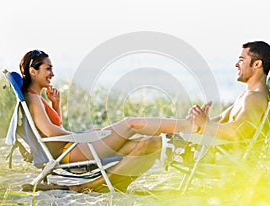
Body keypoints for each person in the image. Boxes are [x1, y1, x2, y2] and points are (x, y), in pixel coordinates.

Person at [19, 50, 198, 192]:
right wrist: (77, 136)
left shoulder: (37, 98)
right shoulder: (33, 99)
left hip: (72, 148)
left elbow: (54, 129)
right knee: (130, 123)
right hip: (71, 152)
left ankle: (177, 145)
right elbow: (50, 133)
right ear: (33, 71)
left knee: (143, 144)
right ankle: (188, 125)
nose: (52, 74)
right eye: (48, 68)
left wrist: (55, 104)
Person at [188, 41, 270, 140]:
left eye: (241, 60)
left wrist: (205, 124)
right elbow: (221, 119)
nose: (236, 64)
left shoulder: (255, 97)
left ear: (257, 64)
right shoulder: (246, 96)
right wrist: (200, 120)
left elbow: (237, 132)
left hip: (232, 153)